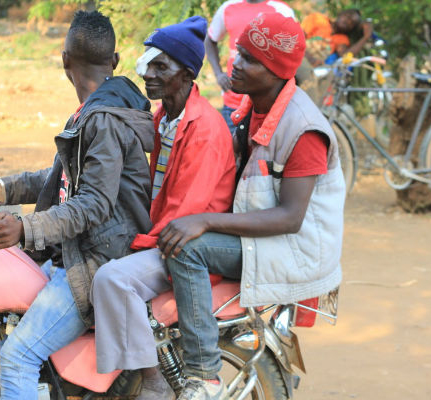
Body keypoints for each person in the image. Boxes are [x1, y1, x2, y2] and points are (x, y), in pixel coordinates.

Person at [160, 10, 345, 400]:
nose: (234, 63)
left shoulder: (303, 128)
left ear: (277, 71)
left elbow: (291, 217)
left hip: (295, 247)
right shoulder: (250, 108)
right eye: (237, 52)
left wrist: (206, 222)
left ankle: (203, 374)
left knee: (186, 249)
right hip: (265, 234)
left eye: (248, 59)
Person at [0, 10, 155, 400]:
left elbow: (92, 203)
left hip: (94, 262)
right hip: (84, 250)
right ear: (113, 62)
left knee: (17, 358)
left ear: (65, 61)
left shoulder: (104, 120)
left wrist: (25, 228)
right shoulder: (95, 110)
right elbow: (62, 177)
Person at [90, 16, 236, 400]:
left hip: (181, 245)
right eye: (148, 65)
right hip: (163, 234)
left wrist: (134, 242)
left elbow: (186, 214)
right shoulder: (166, 118)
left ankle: (152, 381)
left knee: (111, 278)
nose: (149, 75)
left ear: (187, 74)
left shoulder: (203, 128)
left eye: (161, 67)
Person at [204, 0, 296, 134]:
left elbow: (293, 50)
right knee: (232, 153)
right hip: (233, 103)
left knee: (263, 153)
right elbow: (210, 40)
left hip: (267, 105)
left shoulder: (280, 10)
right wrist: (218, 74)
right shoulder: (229, 7)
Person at [302, 8, 373, 66]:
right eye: (348, 16)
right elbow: (297, 37)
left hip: (311, 68)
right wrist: (311, 59)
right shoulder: (318, 18)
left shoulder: (342, 39)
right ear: (341, 14)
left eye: (352, 23)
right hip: (298, 55)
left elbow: (345, 56)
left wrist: (366, 37)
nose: (348, 22)